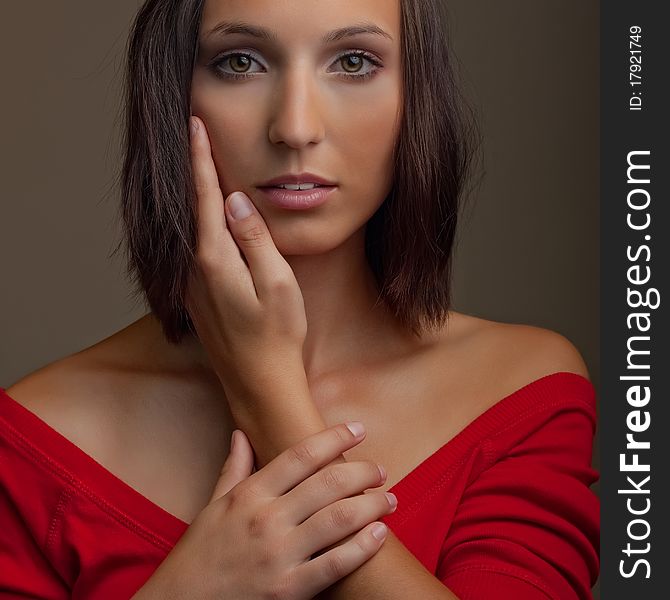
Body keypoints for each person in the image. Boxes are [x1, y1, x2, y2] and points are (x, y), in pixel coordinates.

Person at [0, 0, 599, 598]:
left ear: (416, 97)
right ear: (173, 93)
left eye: (355, 61)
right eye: (240, 62)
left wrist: (268, 395)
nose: (295, 126)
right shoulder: (34, 439)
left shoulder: (521, 392)